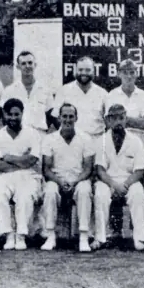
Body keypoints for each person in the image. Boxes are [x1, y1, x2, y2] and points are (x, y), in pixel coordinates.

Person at [0, 98, 43, 251]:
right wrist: (21, 160)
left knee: (25, 195)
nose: (13, 118)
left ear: (22, 114)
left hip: (28, 175)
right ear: (4, 115)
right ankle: (8, 234)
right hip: (4, 176)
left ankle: (21, 235)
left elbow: (31, 160)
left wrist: (9, 157)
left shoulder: (32, 133)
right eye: (9, 115)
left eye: (16, 114)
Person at [40, 103, 95, 252]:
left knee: (84, 190)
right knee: (50, 191)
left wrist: (75, 181)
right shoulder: (49, 139)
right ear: (59, 118)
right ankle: (50, 236)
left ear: (76, 118)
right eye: (64, 116)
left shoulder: (85, 138)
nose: (68, 120)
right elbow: (46, 169)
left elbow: (88, 168)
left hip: (79, 180)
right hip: (57, 180)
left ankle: (83, 237)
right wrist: (60, 182)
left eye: (71, 116)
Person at [93, 104, 144, 251]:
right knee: (100, 194)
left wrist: (125, 185)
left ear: (125, 119)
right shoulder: (102, 141)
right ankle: (100, 238)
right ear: (108, 121)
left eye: (121, 118)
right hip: (108, 181)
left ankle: (139, 237)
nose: (118, 122)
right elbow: (100, 170)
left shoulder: (136, 141)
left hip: (130, 181)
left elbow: (139, 170)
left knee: (138, 194)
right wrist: (114, 185)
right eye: (114, 118)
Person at [53, 56, 108, 141]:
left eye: (88, 70)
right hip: (72, 140)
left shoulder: (103, 93)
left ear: (93, 71)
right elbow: (56, 118)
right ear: (75, 71)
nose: (84, 73)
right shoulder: (64, 90)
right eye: (80, 70)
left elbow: (108, 121)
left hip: (96, 140)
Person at [1, 50, 56, 133]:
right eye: (23, 63)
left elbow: (50, 115)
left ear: (35, 65)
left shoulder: (45, 90)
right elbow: (4, 116)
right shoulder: (9, 90)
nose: (27, 66)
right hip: (18, 134)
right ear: (18, 66)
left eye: (30, 63)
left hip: (39, 135)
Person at [106, 59, 144, 144]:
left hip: (139, 142)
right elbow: (109, 123)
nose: (129, 76)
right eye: (125, 73)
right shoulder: (111, 95)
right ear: (119, 74)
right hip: (117, 141)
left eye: (132, 72)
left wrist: (122, 119)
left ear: (136, 74)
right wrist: (136, 121)